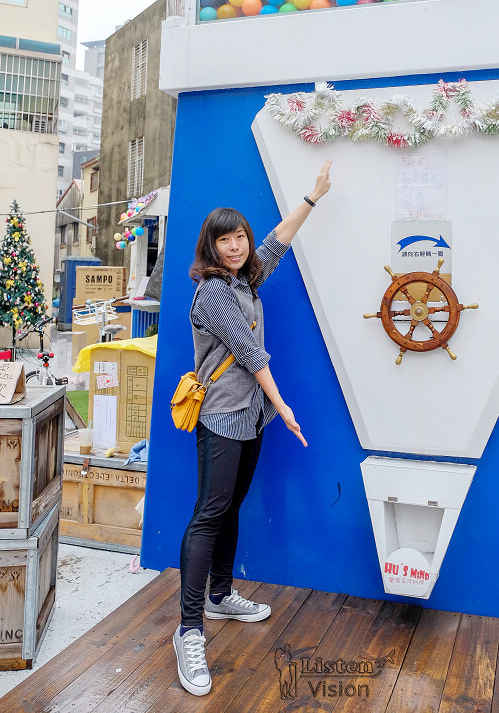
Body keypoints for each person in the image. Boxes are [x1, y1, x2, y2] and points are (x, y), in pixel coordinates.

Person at [173, 159, 332, 696]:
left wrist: (314, 196)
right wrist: (283, 406)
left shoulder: (244, 278)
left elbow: (278, 243)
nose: (236, 247)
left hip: (249, 417)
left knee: (230, 507)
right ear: (211, 247)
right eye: (225, 241)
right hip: (221, 415)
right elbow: (248, 350)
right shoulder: (214, 292)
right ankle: (188, 631)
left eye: (239, 237)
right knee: (208, 515)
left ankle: (221, 596)